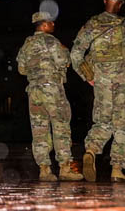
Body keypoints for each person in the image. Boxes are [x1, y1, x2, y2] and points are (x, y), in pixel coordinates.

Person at [71, 0, 125, 182]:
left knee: (102, 121)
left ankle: (91, 150)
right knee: (122, 123)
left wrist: (87, 76)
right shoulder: (124, 26)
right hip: (122, 82)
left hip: (101, 82)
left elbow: (75, 55)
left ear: (104, 1)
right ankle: (117, 170)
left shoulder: (92, 24)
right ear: (120, 5)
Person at [16, 10, 84, 182]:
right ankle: (65, 168)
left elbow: (21, 69)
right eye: (51, 22)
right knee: (61, 128)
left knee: (39, 131)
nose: (54, 25)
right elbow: (63, 61)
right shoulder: (52, 42)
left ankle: (44, 170)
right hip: (52, 90)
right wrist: (66, 52)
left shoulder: (27, 44)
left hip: (34, 92)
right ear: (44, 25)